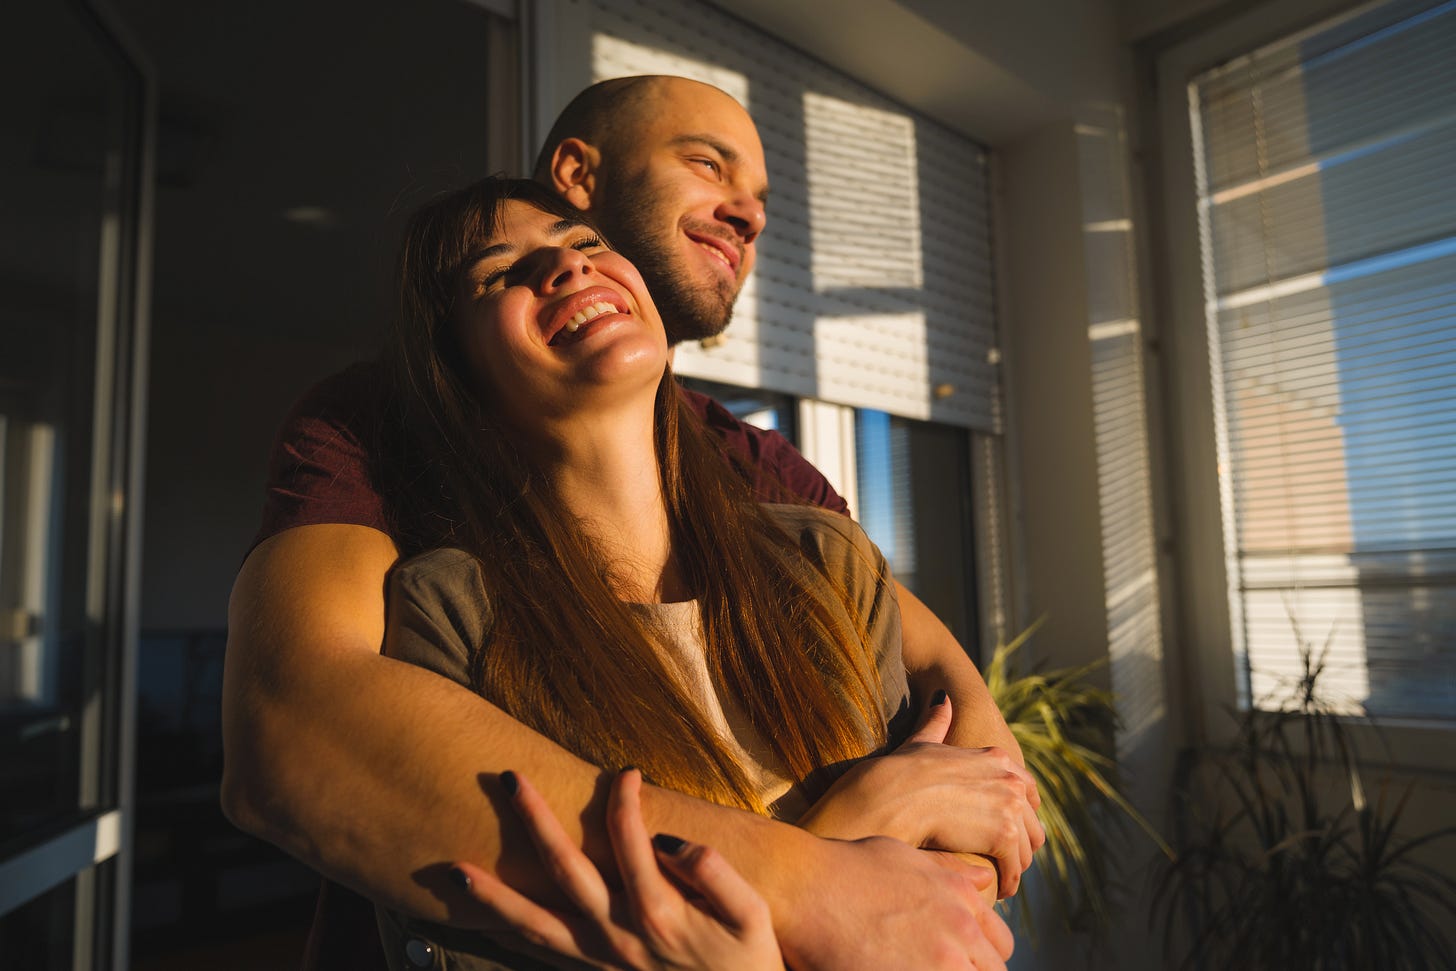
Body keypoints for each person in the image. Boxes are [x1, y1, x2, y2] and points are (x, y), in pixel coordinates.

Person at [221, 76, 1039, 971]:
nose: (749, 215)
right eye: (706, 163)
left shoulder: (787, 504)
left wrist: (908, 889)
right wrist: (819, 871)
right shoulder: (388, 459)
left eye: (761, 197)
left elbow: (976, 765)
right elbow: (291, 723)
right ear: (576, 169)